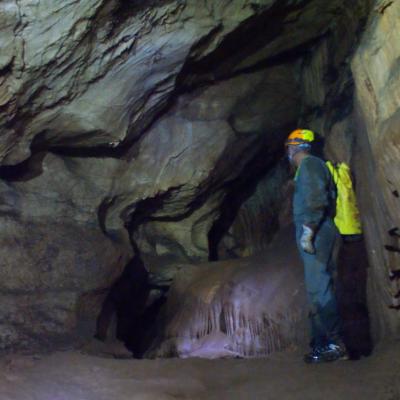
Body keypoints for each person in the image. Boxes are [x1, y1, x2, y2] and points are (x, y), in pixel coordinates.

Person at [285, 129, 348, 363]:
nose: (288, 153)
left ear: (294, 148)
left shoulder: (310, 165)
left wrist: (308, 232)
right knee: (315, 288)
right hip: (316, 231)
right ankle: (321, 344)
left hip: (318, 232)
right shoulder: (307, 168)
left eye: (289, 148)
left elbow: (315, 199)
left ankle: (335, 342)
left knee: (320, 287)